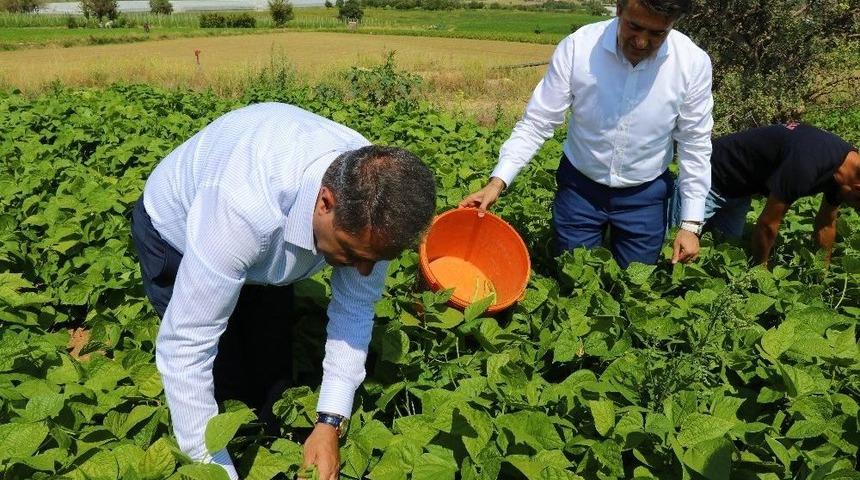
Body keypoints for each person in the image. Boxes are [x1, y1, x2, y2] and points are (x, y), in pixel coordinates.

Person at [130, 103, 436, 480]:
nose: (364, 271)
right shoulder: (241, 209)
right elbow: (186, 348)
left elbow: (355, 309)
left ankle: (269, 439)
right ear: (326, 203)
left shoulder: (377, 207)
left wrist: (328, 422)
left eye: (375, 259)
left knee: (270, 374)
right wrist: (214, 470)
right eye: (353, 254)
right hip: (175, 233)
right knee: (220, 381)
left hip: (265, 247)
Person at [460, 0, 713, 268]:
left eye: (656, 34)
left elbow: (694, 143)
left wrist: (691, 223)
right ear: (619, 8)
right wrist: (497, 182)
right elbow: (537, 121)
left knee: (635, 287)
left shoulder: (692, 64)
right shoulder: (578, 48)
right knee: (573, 277)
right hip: (580, 189)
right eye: (634, 26)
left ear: (672, 24)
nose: (641, 42)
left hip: (645, 195)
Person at [670, 122, 860, 266]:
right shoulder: (807, 164)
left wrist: (821, 272)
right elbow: (768, 224)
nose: (853, 207)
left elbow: (826, 224)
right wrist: (761, 273)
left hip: (740, 192)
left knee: (725, 257)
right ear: (857, 188)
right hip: (707, 180)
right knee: (675, 251)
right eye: (856, 205)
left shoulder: (846, 173)